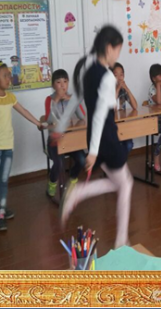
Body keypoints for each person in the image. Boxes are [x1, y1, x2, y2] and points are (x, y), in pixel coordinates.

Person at [53, 25, 133, 249]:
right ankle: (121, 241)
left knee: (119, 183)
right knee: (125, 184)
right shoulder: (106, 77)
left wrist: (61, 126)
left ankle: (78, 193)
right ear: (109, 48)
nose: (118, 55)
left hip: (96, 138)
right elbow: (98, 116)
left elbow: (75, 99)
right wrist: (94, 152)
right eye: (118, 50)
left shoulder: (87, 70)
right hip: (106, 138)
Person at [0, 60, 44, 231]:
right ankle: (0, 206)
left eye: (9, 75)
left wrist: (38, 123)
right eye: (5, 76)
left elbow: (24, 111)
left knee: (3, 180)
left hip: (8, 146)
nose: (9, 78)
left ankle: (1, 213)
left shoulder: (10, 97)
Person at [44, 69, 87, 200]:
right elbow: (49, 120)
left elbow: (82, 117)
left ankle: (72, 179)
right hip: (54, 141)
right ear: (53, 85)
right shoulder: (49, 99)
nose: (62, 85)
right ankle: (52, 183)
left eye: (65, 82)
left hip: (70, 140)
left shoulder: (71, 98)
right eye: (58, 82)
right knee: (59, 164)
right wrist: (56, 100)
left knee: (82, 160)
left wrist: (73, 100)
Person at [112, 62, 138, 155]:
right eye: (116, 75)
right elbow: (111, 109)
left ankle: (120, 161)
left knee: (129, 144)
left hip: (123, 125)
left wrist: (127, 88)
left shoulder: (123, 90)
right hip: (111, 126)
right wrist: (117, 89)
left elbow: (135, 106)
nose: (119, 78)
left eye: (121, 75)